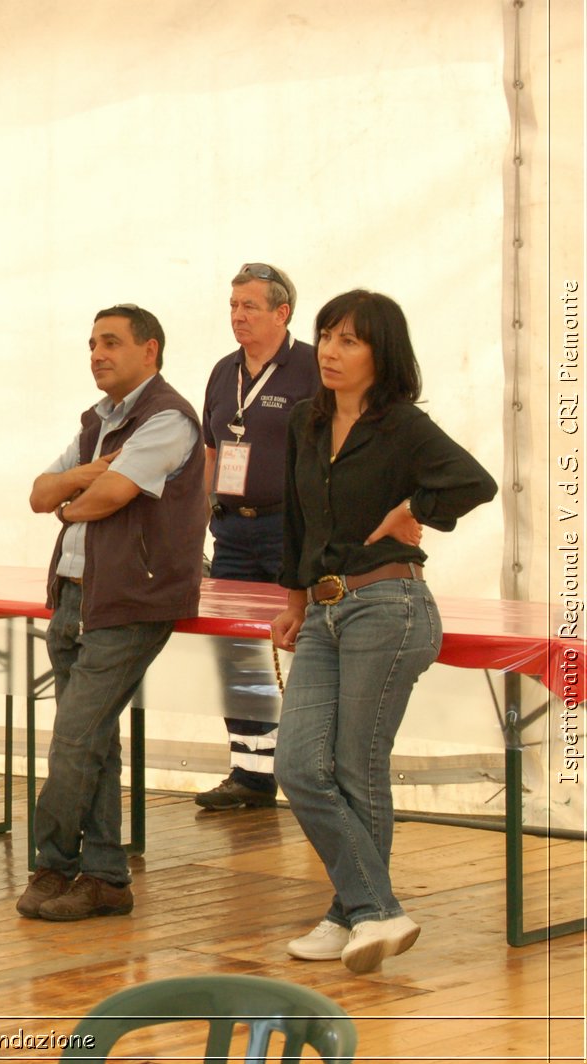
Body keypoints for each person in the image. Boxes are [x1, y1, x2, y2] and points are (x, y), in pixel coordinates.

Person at [272, 290, 495, 973]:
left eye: (349, 341)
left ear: (382, 354)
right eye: (326, 337)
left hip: (388, 606)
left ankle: (359, 914)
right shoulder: (305, 425)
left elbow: (474, 482)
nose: (331, 353)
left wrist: (414, 506)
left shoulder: (402, 426)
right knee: (299, 766)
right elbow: (295, 520)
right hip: (323, 611)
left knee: (352, 766)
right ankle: (368, 911)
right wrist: (292, 600)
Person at [15, 304, 206, 921]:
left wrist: (78, 493)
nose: (97, 353)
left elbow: (103, 500)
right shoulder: (97, 422)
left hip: (129, 600)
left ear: (150, 351)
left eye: (112, 342)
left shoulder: (169, 418)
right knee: (93, 739)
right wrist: (86, 476)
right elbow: (39, 492)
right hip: (74, 591)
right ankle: (105, 877)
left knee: (74, 739)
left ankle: (53, 863)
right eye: (92, 342)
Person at [196, 264, 320, 810]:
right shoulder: (224, 372)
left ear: (281, 313)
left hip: (290, 528)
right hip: (232, 530)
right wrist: (196, 523)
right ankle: (250, 773)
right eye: (232, 306)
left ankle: (315, 770)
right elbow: (211, 452)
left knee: (309, 643)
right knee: (236, 651)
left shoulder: (313, 367)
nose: (237, 316)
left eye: (249, 306)